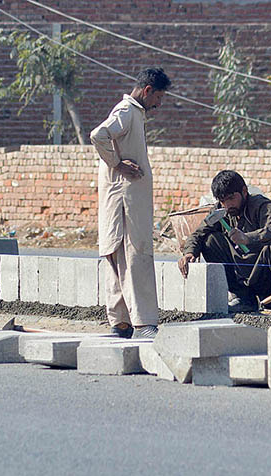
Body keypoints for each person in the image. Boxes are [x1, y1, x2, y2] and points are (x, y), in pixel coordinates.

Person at [90, 68, 171, 339]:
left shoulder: (134, 113)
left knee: (120, 257)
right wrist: (117, 164)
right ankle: (143, 323)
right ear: (147, 91)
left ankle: (121, 323)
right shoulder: (126, 111)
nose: (159, 105)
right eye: (158, 98)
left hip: (126, 200)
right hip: (124, 201)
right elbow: (98, 135)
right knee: (135, 256)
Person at [178, 170, 271, 313]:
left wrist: (248, 237)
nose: (227, 204)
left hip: (266, 269)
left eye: (231, 198)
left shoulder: (259, 204)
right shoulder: (220, 210)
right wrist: (189, 253)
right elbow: (198, 233)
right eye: (222, 200)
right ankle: (244, 299)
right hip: (244, 270)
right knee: (210, 241)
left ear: (244, 191)